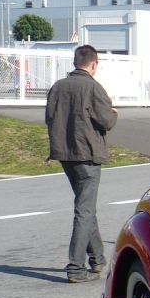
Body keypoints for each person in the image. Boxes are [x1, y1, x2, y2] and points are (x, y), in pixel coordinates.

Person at [45, 44, 118, 283]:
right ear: (94, 63)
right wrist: (114, 112)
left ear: (76, 62)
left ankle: (97, 259)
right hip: (87, 155)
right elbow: (106, 121)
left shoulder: (58, 86)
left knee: (86, 207)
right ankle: (76, 267)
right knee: (84, 210)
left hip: (65, 154)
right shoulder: (93, 87)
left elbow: (49, 117)